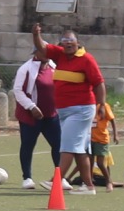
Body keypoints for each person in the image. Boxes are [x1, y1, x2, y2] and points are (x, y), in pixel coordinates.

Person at [40, 32, 104, 189]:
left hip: (81, 109)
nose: (68, 44)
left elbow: (98, 83)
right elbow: (42, 47)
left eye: (71, 41)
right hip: (64, 111)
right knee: (79, 150)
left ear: (77, 43)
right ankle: (89, 186)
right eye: (65, 42)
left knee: (67, 146)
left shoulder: (86, 59)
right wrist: (36, 34)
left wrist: (101, 104)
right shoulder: (60, 56)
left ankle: (56, 180)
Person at [10, 37, 59, 188]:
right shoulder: (26, 69)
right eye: (43, 50)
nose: (46, 53)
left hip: (52, 115)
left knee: (59, 145)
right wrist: (31, 106)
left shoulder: (53, 66)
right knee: (28, 144)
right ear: (36, 52)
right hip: (32, 116)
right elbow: (18, 91)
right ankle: (27, 178)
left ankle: (59, 177)